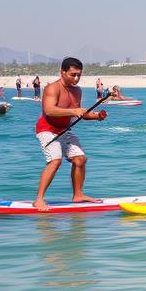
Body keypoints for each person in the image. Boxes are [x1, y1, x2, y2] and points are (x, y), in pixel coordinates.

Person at [33, 57, 107, 212]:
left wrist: (96, 116)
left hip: (64, 130)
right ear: (62, 72)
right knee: (55, 161)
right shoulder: (52, 88)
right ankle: (39, 199)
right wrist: (74, 111)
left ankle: (78, 195)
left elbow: (80, 114)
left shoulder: (77, 91)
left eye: (79, 75)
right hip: (47, 130)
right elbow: (49, 110)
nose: (76, 78)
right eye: (73, 74)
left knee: (80, 159)